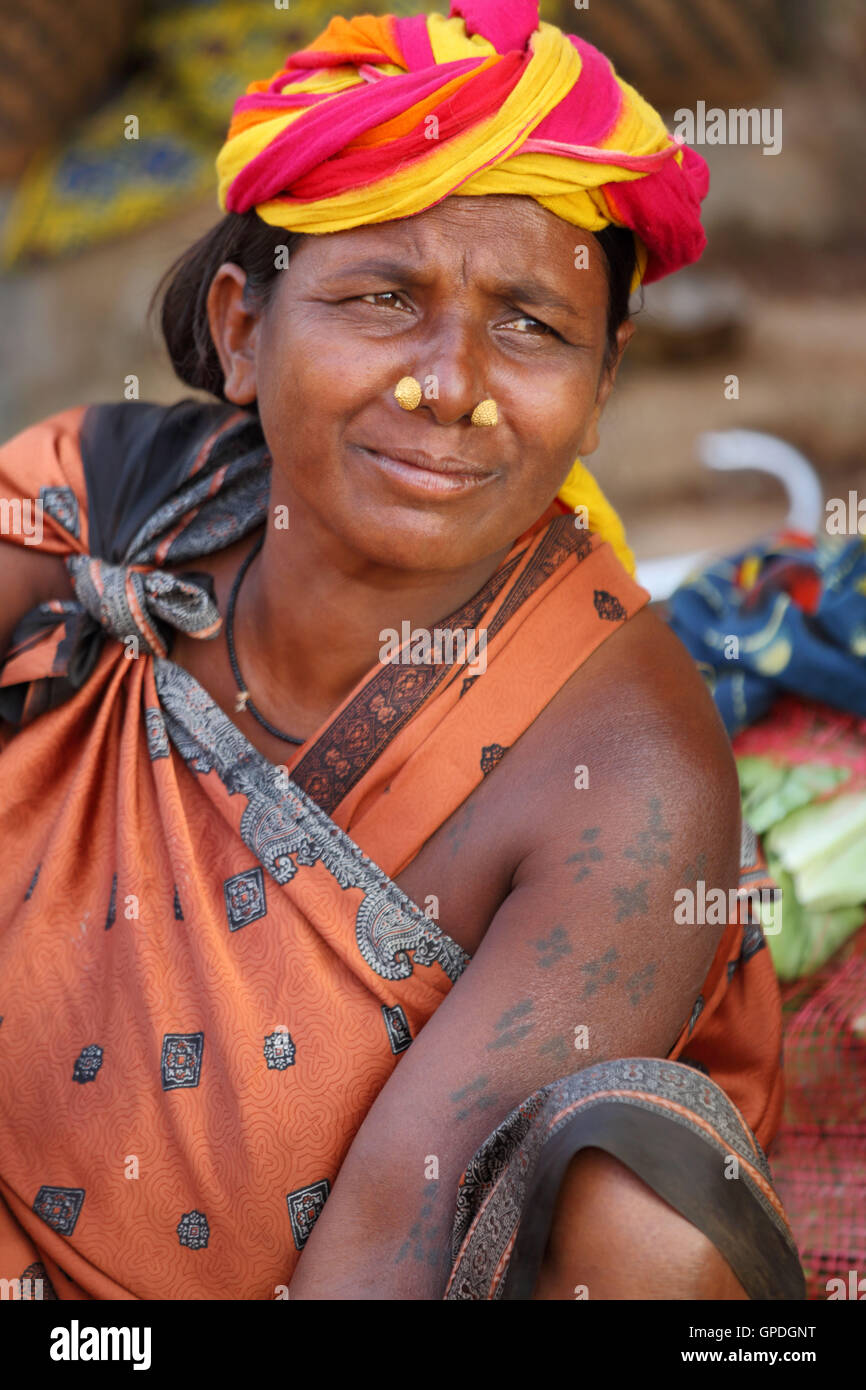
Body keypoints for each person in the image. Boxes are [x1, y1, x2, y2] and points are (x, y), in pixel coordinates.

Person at [0, 0, 804, 1300]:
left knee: (645, 1232)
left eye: (532, 327)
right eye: (382, 297)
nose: (452, 382)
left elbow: (390, 1245)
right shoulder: (104, 500)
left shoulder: (624, 780)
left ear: (602, 386)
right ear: (244, 328)